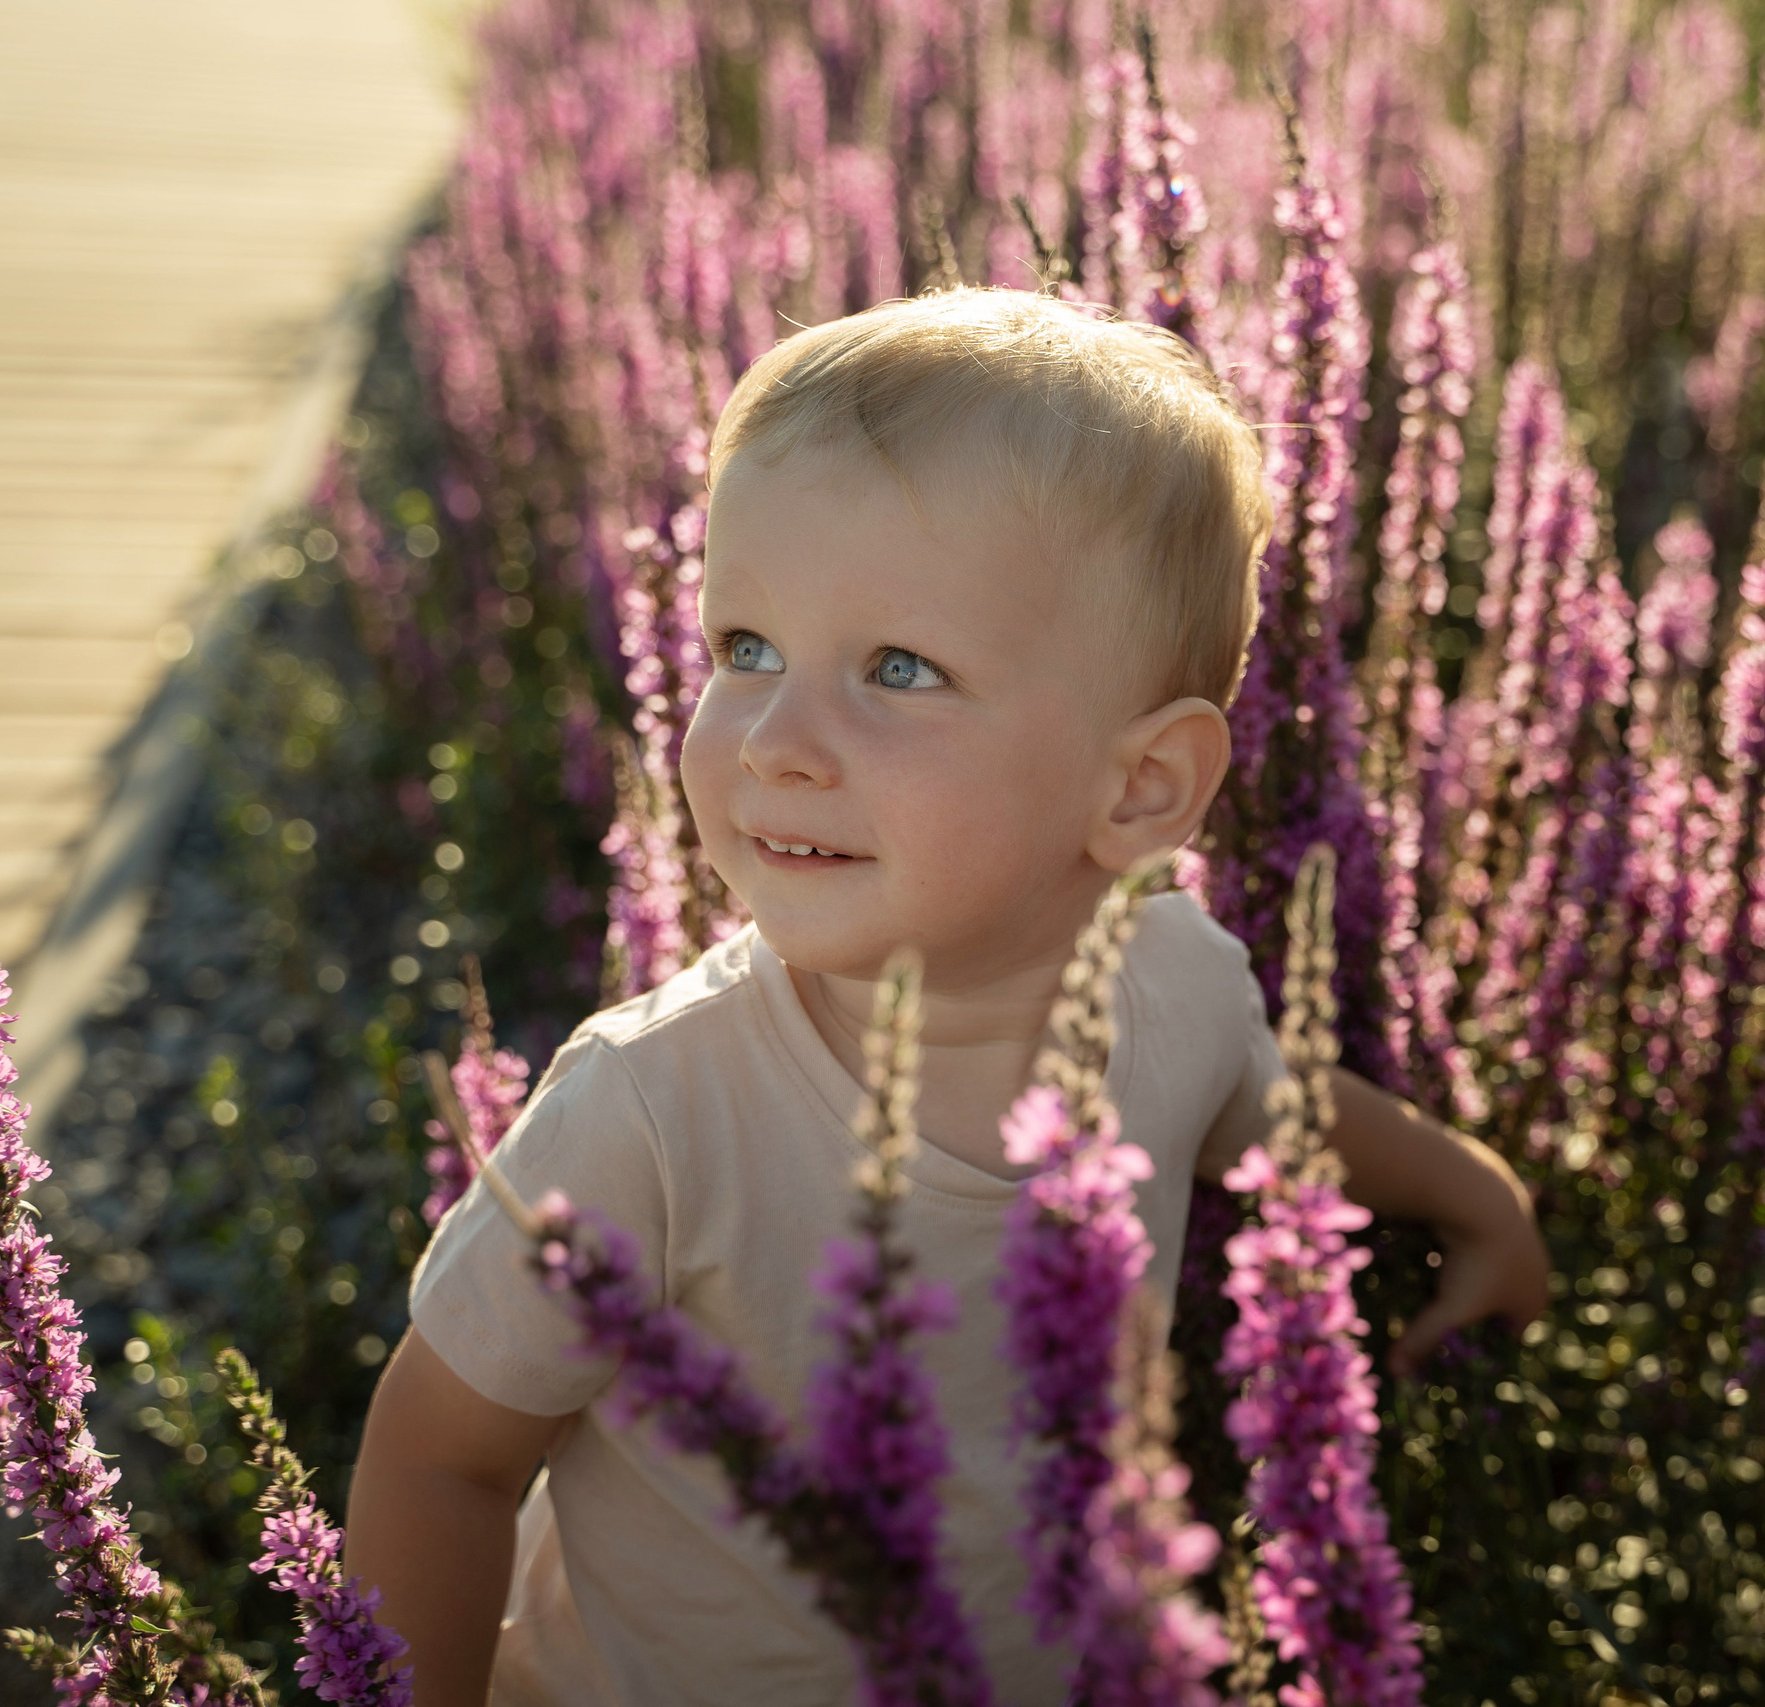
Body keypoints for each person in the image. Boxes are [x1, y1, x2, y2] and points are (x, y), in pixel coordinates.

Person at [345, 285, 1550, 1705]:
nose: (777, 742)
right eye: (744, 649)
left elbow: (1283, 1112)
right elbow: (438, 1456)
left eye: (898, 670)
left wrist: (1482, 1202)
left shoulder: (1172, 986)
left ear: (1141, 786)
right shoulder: (650, 1108)